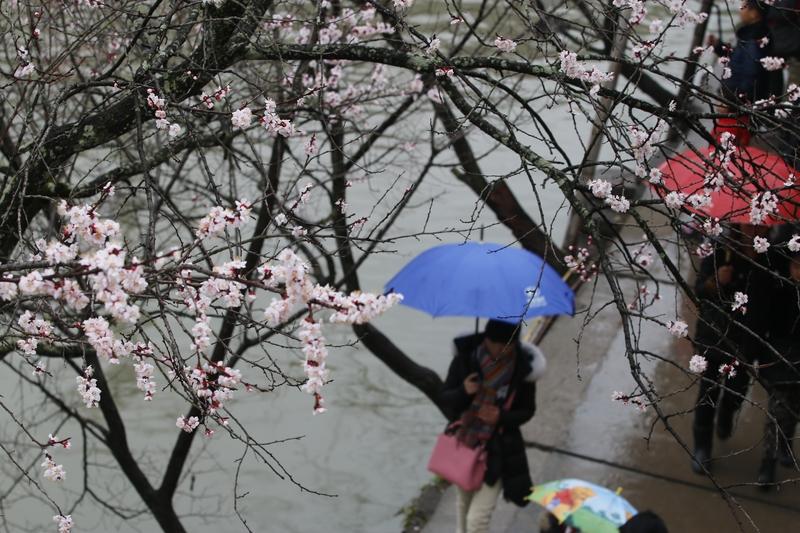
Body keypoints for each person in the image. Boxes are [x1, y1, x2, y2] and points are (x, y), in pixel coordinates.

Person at [439, 319, 545, 533]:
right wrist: (464, 391)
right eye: (497, 345)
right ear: (486, 340)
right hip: (466, 443)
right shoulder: (465, 360)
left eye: (508, 346)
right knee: (463, 505)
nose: (501, 352)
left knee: (477, 519)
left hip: (500, 450)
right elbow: (445, 399)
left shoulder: (522, 370)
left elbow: (527, 410)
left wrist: (501, 417)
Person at [691, 224, 781, 473]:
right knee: (707, 393)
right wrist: (715, 282)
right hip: (715, 335)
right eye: (748, 225)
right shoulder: (719, 249)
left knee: (736, 390)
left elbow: (772, 301)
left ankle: (727, 414)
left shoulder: (771, 256)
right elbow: (699, 290)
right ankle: (702, 447)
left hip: (746, 341)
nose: (752, 229)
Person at [708, 0, 784, 145]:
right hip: (741, 106)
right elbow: (739, 60)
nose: (740, 10)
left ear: (754, 14)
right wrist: (719, 47)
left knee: (724, 145)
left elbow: (749, 75)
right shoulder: (753, 35)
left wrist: (729, 101)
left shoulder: (755, 41)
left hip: (739, 108)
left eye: (744, 7)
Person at [756, 249, 800, 489]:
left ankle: (786, 445)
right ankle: (768, 462)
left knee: (794, 410)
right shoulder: (780, 289)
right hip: (780, 359)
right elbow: (766, 321)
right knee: (776, 413)